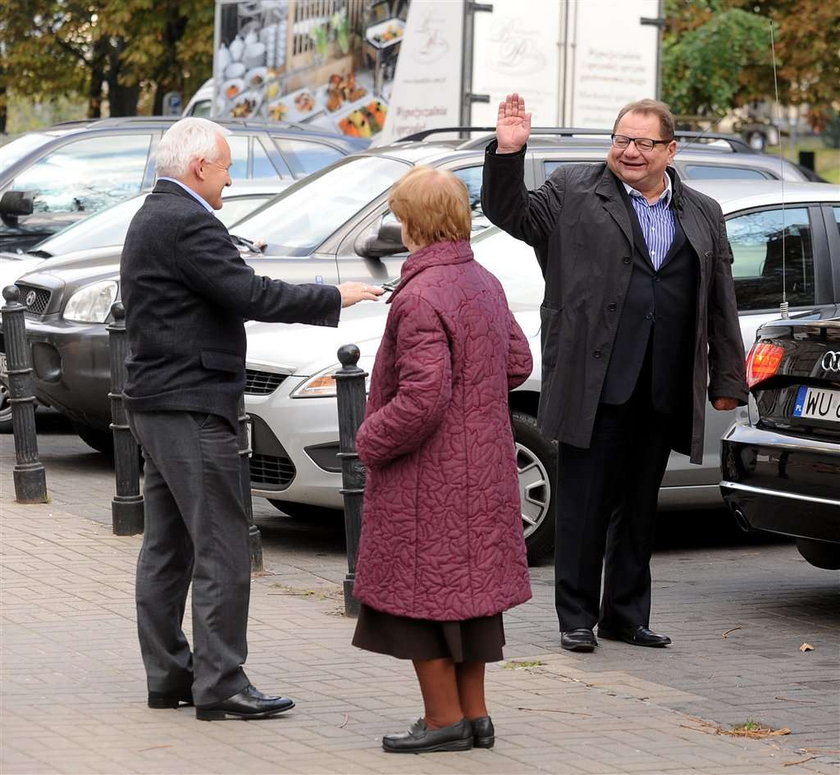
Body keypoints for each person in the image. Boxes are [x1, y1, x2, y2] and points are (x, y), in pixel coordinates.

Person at [120, 117, 382, 720]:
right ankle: (220, 685)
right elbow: (249, 294)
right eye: (228, 167)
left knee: (170, 547)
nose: (232, 181)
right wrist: (334, 295)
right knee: (222, 545)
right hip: (191, 403)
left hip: (159, 400)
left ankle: (170, 676)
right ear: (199, 168)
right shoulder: (186, 219)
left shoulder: (155, 212)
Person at [482, 95, 747, 653]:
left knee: (640, 503)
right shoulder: (574, 191)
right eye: (622, 138)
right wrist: (508, 152)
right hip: (593, 377)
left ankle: (625, 614)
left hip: (663, 379)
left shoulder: (702, 211)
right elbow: (511, 213)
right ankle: (575, 617)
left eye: (643, 143)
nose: (628, 150)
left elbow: (719, 299)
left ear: (670, 151)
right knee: (584, 500)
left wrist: (727, 380)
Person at [351, 166, 533, 753]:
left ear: (414, 223)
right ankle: (475, 716)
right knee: (469, 595)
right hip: (482, 467)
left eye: (402, 215)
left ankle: (441, 721)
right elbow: (517, 361)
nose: (398, 225)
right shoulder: (483, 279)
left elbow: (423, 398)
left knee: (419, 599)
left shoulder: (421, 295)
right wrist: (475, 404)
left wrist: (370, 439)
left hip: (430, 477)